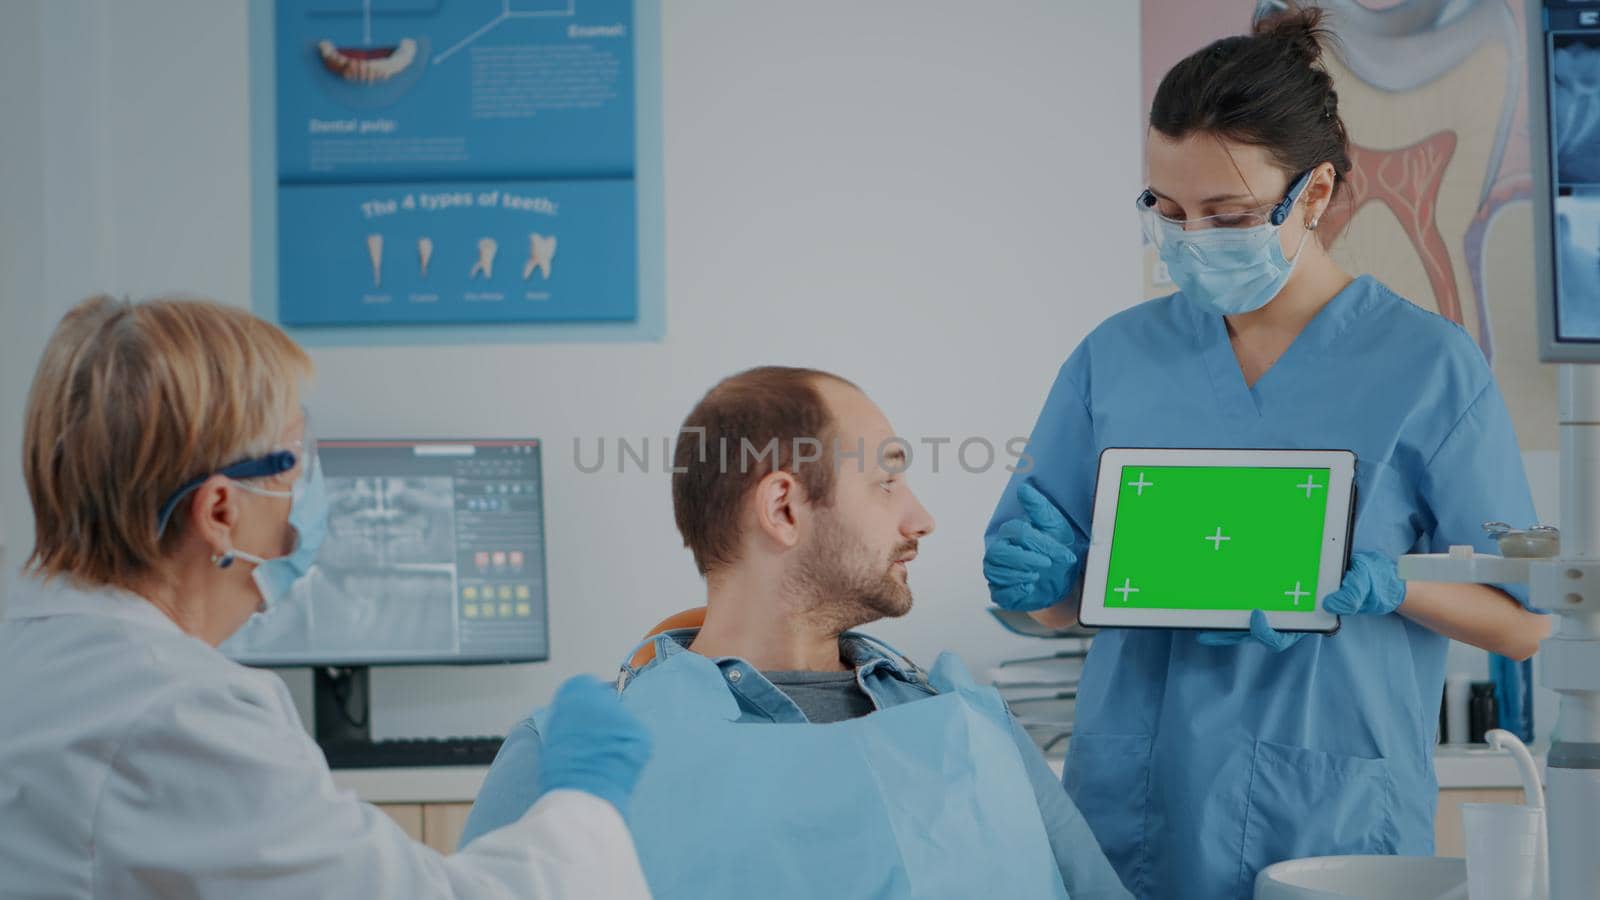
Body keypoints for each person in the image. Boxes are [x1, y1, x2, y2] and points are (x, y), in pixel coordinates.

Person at [982, 9, 1552, 900]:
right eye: (1165, 209)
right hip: (1136, 811)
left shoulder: (1428, 367)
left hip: (1335, 815)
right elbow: (1052, 607)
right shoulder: (1115, 358)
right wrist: (1034, 585)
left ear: (1316, 193)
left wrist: (1394, 583)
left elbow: (1525, 621)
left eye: (1229, 212)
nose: (1191, 237)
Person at [0, 296, 654, 899]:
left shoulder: (33, 658)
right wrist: (584, 798)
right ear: (220, 510)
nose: (309, 489)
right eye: (291, 459)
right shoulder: (182, 715)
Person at [461, 366, 1132, 900]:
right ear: (784, 508)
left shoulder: (975, 720)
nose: (921, 519)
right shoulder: (568, 754)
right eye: (887, 482)